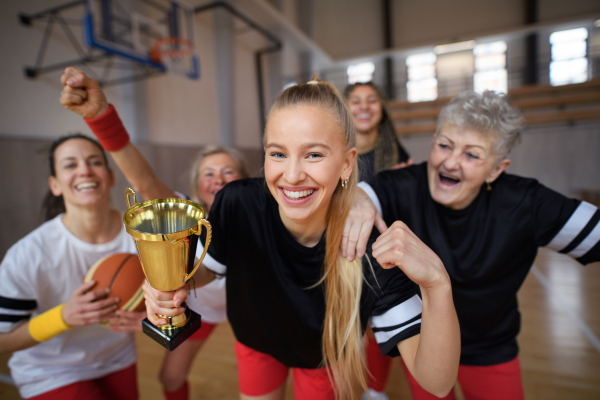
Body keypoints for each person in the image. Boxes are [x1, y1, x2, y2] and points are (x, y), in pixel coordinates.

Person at [143, 78, 461, 400]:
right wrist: (169, 281)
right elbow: (207, 268)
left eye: (313, 155)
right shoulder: (238, 202)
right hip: (256, 342)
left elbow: (437, 382)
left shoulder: (371, 247)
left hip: (322, 357)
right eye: (278, 154)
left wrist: (438, 284)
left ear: (347, 163)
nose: (292, 175)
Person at [343, 90, 600, 400]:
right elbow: (365, 192)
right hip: (425, 344)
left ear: (497, 169)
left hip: (489, 347)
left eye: (472, 155)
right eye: (444, 145)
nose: (451, 162)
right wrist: (356, 199)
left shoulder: (527, 203)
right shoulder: (404, 184)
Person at [59, 66, 250, 400]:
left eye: (227, 171)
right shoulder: (183, 213)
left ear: (243, 180)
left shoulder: (259, 216)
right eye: (209, 172)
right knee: (169, 378)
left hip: (251, 306)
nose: (217, 178)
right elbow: (143, 182)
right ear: (197, 184)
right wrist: (101, 117)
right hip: (201, 311)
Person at [0, 134, 145, 400]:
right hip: (49, 371)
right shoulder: (28, 254)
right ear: (54, 185)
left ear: (111, 177)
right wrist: (63, 317)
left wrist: (151, 318)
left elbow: (176, 299)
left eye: (94, 162)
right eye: (70, 165)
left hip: (118, 358)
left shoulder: (142, 235)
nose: (85, 170)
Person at [344, 82, 413, 186]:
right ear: (343, 109)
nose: (364, 106)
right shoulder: (332, 155)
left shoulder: (395, 154)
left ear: (382, 108)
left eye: (372, 101)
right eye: (356, 102)